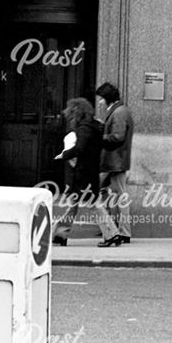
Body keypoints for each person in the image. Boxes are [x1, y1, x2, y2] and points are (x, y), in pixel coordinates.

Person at [51, 97, 120, 246]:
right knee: (73, 205)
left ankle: (112, 234)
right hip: (89, 171)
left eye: (72, 114)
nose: (71, 118)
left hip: (82, 174)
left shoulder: (84, 128)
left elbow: (80, 149)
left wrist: (64, 155)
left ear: (77, 112)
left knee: (93, 206)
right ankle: (60, 235)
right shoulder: (95, 126)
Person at [95, 82, 134, 247]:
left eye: (101, 99)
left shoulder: (118, 112)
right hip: (115, 160)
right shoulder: (120, 110)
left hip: (114, 160)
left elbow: (117, 137)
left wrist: (99, 137)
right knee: (109, 196)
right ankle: (113, 229)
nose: (99, 103)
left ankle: (122, 232)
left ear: (108, 98)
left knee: (117, 197)